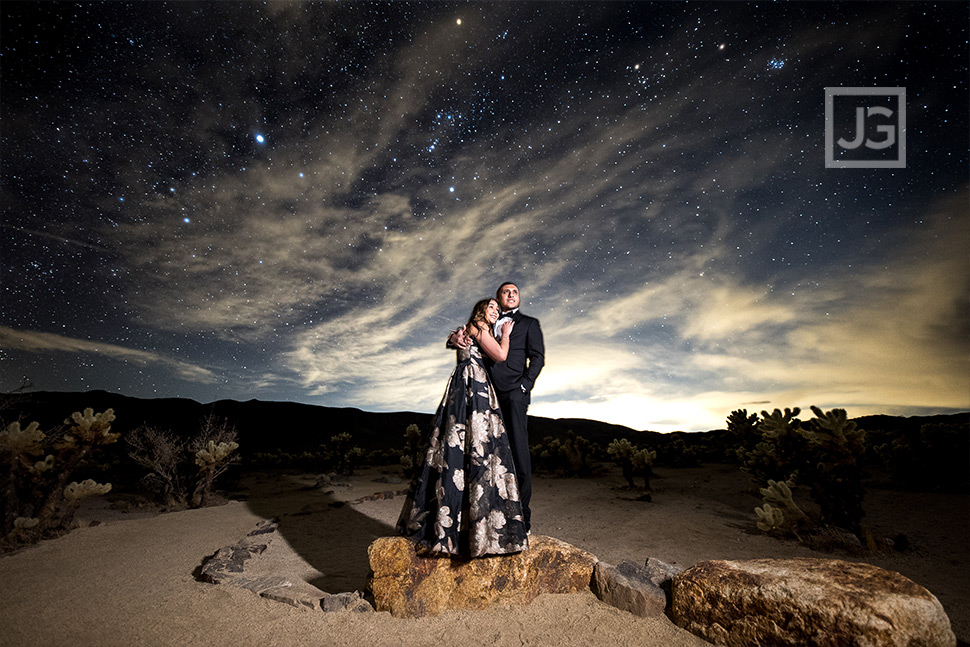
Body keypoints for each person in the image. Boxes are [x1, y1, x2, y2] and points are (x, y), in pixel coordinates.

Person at [396, 298, 529, 557]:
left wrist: (453, 337)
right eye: (491, 306)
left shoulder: (475, 329)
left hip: (470, 385)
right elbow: (500, 355)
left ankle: (459, 528)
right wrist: (506, 335)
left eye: (497, 309)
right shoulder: (479, 325)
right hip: (473, 386)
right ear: (481, 310)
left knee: (462, 447)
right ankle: (470, 533)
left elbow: (457, 337)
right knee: (478, 447)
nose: (495, 311)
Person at [449, 282, 544, 533]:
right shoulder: (487, 324)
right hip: (485, 395)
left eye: (515, 292)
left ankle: (523, 516)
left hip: (513, 394)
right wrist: (454, 337)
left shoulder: (529, 324)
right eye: (505, 292)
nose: (511, 295)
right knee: (490, 453)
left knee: (518, 453)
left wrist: (524, 387)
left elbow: (538, 357)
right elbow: (465, 335)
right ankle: (493, 511)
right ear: (498, 299)